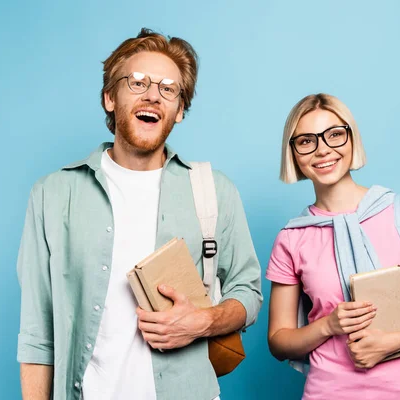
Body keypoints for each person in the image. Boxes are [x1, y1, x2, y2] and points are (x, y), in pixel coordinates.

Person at [16, 28, 262, 400]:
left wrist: (202, 322)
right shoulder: (52, 195)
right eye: (137, 82)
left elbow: (249, 291)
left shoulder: (213, 191)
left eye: (168, 88)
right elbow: (37, 334)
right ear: (109, 98)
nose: (152, 95)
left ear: (179, 110)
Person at [266, 93, 400, 399]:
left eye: (335, 135)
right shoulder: (292, 237)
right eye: (306, 141)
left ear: (352, 140)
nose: (323, 150)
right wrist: (328, 325)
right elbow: (278, 341)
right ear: (294, 153)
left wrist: (394, 342)